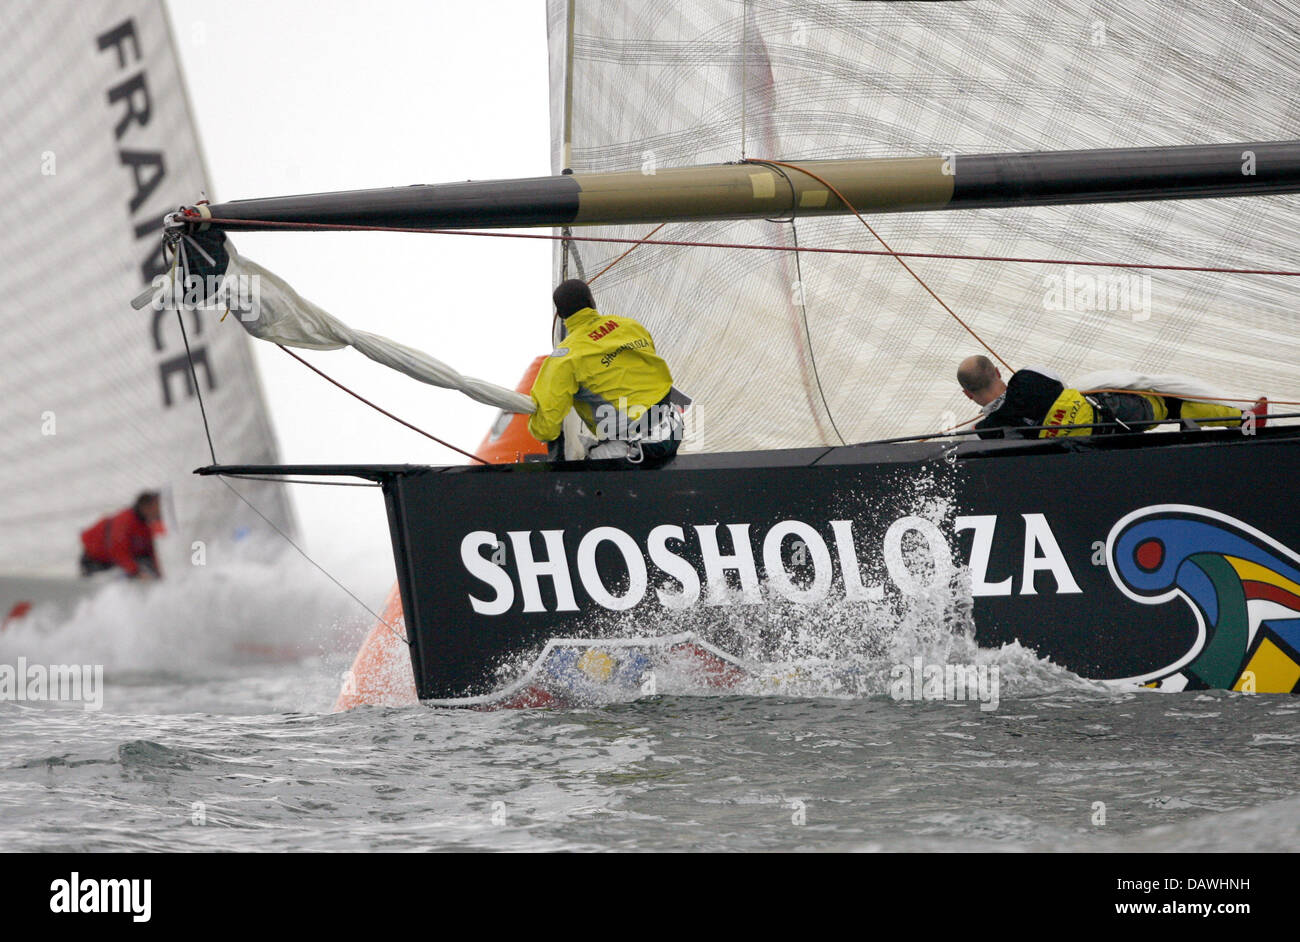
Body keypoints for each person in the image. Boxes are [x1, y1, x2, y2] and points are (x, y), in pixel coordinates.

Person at [528, 279, 685, 464]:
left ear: (561, 314)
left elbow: (546, 429)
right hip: (673, 427)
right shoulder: (630, 326)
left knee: (576, 476)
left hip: (639, 446)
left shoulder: (564, 359)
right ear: (591, 301)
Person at [956, 355, 1265, 440]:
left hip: (1085, 453)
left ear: (968, 394)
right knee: (1168, 403)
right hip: (1112, 418)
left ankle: (1242, 420)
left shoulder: (985, 431)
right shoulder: (1028, 377)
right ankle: (1244, 420)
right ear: (998, 371)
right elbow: (1064, 386)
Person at [79, 491, 163, 579]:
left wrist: (158, 572)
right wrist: (136, 573)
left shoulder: (147, 524)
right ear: (146, 507)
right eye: (157, 506)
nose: (160, 510)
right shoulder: (125, 521)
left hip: (124, 561)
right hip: (97, 562)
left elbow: (150, 551)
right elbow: (118, 551)